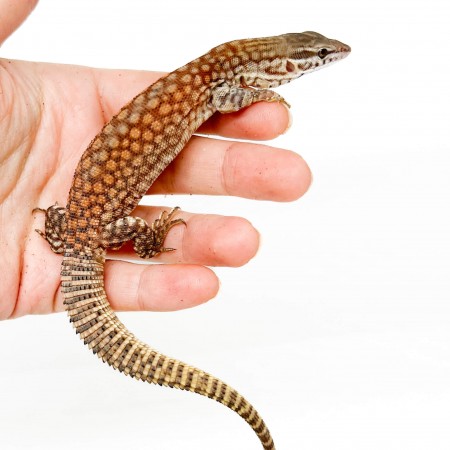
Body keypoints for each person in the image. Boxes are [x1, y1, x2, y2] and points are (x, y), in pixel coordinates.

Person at [0, 0, 311, 320]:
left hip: (71, 228)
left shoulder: (215, 73)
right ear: (280, 65)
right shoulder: (218, 83)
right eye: (318, 57)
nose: (323, 59)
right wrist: (262, 94)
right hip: (89, 234)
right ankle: (149, 246)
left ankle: (55, 232)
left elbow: (223, 95)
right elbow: (227, 102)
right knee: (134, 226)